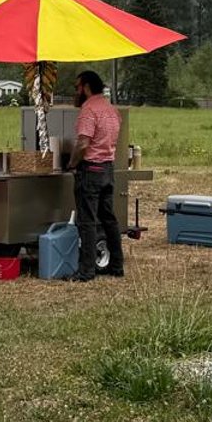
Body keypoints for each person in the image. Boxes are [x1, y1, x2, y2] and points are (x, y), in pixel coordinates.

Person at [66, 70, 123, 283]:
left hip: (90, 170)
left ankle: (86, 270)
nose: (76, 92)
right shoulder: (112, 109)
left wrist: (72, 163)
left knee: (87, 221)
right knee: (109, 219)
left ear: (86, 87)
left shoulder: (89, 110)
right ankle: (117, 266)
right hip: (108, 168)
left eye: (77, 87)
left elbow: (83, 143)